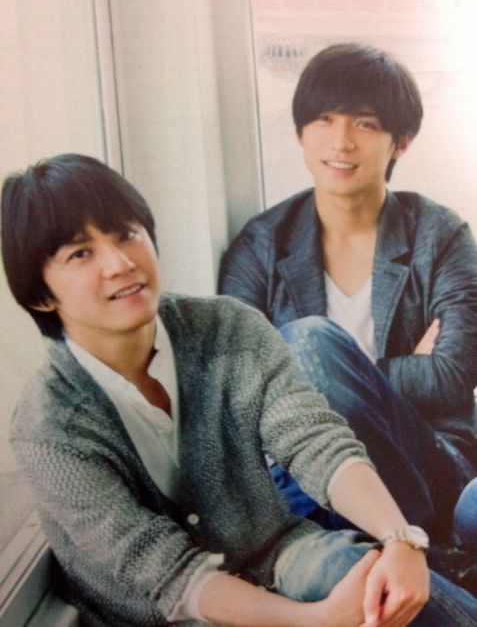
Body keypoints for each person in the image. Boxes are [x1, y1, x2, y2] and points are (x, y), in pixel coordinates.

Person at [2, 154, 477, 626]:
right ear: (40, 294)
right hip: (164, 615)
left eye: (127, 234)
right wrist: (314, 621)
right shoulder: (48, 427)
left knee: (370, 575)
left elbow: (317, 442)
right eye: (81, 254)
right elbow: (168, 576)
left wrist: (401, 539)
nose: (120, 263)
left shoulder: (226, 327)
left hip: (275, 553)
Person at [219, 43, 477, 562]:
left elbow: (453, 374)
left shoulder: (440, 236)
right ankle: (422, 557)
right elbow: (238, 389)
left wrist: (327, 370)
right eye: (324, 119)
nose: (340, 141)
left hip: (430, 463)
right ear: (301, 131)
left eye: (364, 124)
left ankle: (407, 546)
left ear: (400, 142)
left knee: (309, 342)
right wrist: (397, 368)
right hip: (312, 472)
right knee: (310, 347)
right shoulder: (261, 246)